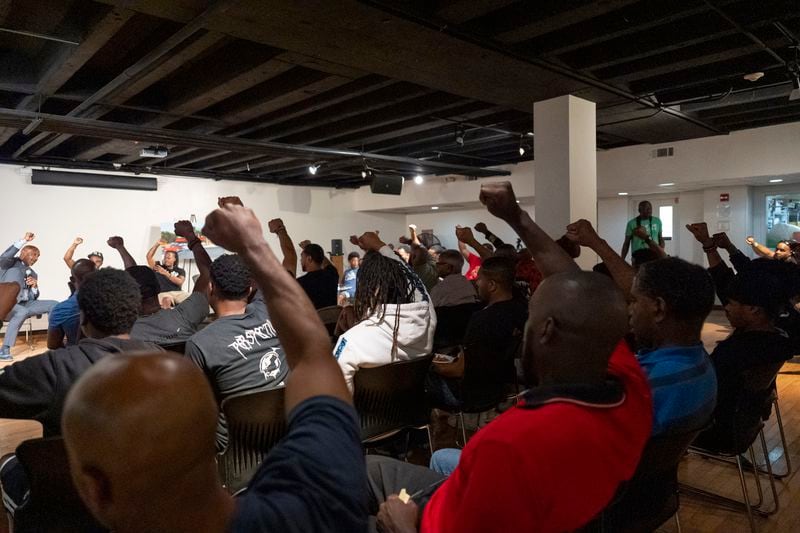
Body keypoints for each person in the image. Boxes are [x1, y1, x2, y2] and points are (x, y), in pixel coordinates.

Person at [61, 203, 367, 532]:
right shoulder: (323, 497)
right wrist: (253, 244)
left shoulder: (203, 345)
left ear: (95, 492)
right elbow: (313, 355)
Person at [369, 181, 653, 532]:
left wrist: (404, 525)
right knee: (367, 471)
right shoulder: (631, 387)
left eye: (531, 314)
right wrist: (515, 216)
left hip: (433, 519)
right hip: (545, 506)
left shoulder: (508, 445)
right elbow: (573, 286)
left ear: (546, 330)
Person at [0, 268, 160, 519]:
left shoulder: (52, 369)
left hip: (70, 503)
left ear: (82, 317)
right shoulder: (168, 364)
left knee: (8, 461)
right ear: (136, 311)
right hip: (145, 499)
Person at [568, 220, 718, 436]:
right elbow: (639, 286)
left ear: (658, 308)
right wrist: (596, 243)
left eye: (634, 301)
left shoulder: (641, 383)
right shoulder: (698, 363)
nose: (629, 310)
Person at [185, 254, 288, 450]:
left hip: (235, 451)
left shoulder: (200, 344)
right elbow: (271, 272)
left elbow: (196, 410)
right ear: (250, 289)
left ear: (211, 288)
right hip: (288, 436)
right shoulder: (270, 311)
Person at [334, 232, 436, 391]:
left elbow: (337, 405)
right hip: (414, 411)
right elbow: (414, 281)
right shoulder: (426, 317)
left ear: (369, 288)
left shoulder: (351, 343)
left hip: (366, 415)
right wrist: (379, 245)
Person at [428, 256, 527, 410]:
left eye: (479, 279)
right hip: (502, 384)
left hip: (473, 395)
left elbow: (459, 370)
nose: (475, 282)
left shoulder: (482, 320)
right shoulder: (519, 309)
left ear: (492, 285)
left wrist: (430, 366)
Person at [112, 222, 212, 346]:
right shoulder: (185, 316)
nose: (167, 258)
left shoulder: (122, 334)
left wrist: (120, 247)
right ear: (157, 287)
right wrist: (190, 236)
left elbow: (135, 276)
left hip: (176, 294)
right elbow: (208, 272)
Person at [0, 232, 57, 360]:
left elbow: (32, 297)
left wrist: (35, 287)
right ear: (24, 252)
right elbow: (5, 255)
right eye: (34, 254)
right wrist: (23, 240)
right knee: (22, 311)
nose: (36, 258)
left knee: (55, 304)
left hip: (25, 304)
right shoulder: (8, 264)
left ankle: (55, 341)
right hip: (6, 304)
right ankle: (4, 350)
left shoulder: (33, 274)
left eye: (38, 256)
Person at [46, 258, 96, 349]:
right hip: (109, 358)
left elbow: (53, 345)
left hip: (77, 357)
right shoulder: (111, 301)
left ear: (72, 279)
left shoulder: (60, 309)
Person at [297, 241, 339, 309]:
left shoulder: (300, 283)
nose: (300, 260)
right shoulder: (332, 274)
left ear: (309, 258)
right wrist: (310, 247)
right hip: (332, 318)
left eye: (302, 257)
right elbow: (328, 264)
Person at [146, 242, 187, 307]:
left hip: (178, 293)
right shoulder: (158, 267)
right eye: (165, 258)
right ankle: (167, 317)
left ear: (174, 259)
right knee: (167, 300)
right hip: (163, 293)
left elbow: (180, 282)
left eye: (168, 258)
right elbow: (149, 257)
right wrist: (157, 244)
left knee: (192, 298)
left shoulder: (180, 270)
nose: (166, 260)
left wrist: (165, 273)